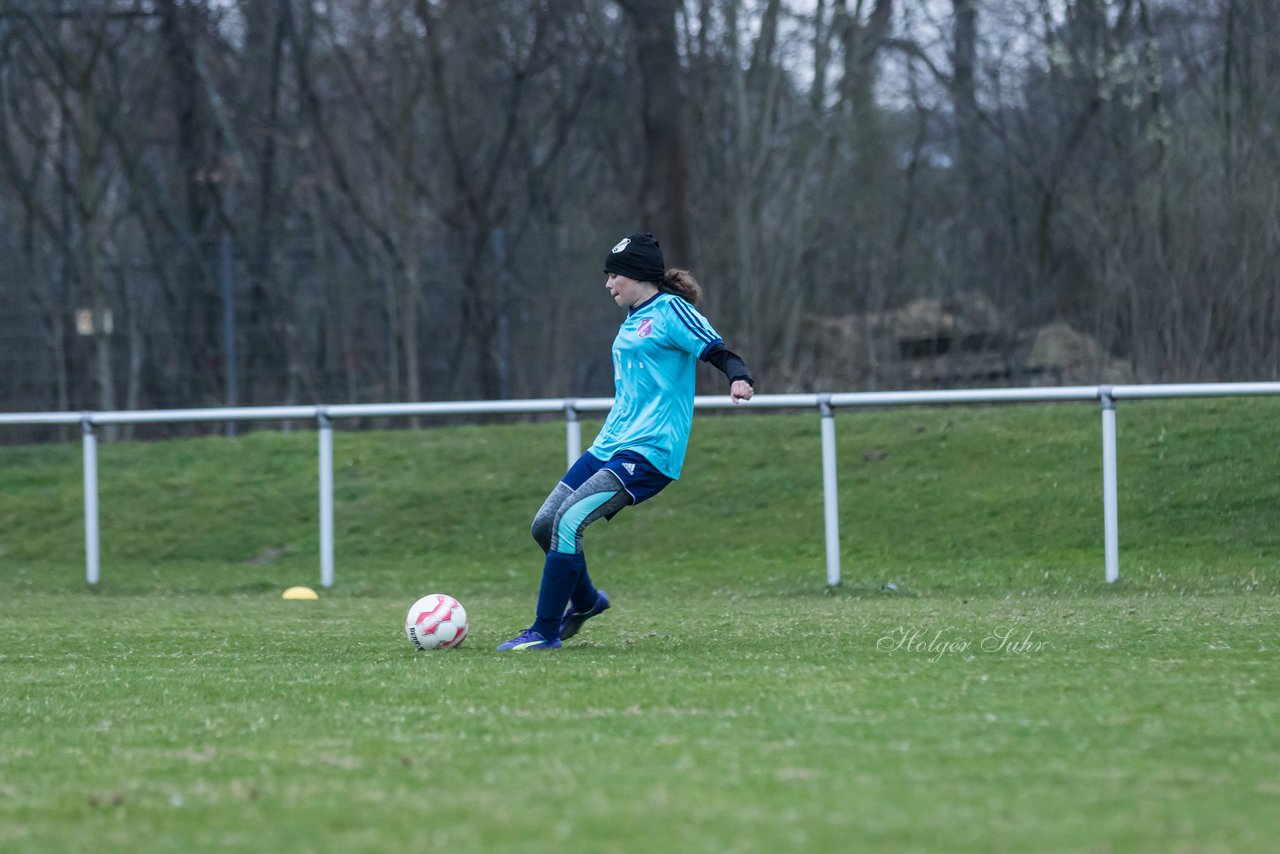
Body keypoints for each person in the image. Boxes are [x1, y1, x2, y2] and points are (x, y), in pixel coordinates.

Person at [498, 233, 755, 650]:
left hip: (649, 451)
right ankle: (585, 602)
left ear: (636, 276)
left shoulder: (672, 310)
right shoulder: (633, 318)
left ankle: (544, 632)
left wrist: (739, 377)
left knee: (568, 523)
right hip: (609, 445)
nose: (608, 283)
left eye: (613, 274)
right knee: (544, 525)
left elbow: (717, 350)